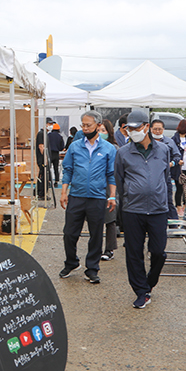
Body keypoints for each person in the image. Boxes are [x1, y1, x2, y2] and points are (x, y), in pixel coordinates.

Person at [115, 109, 170, 308]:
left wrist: (168, 204)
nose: (133, 131)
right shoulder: (123, 153)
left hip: (158, 209)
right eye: (129, 129)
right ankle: (141, 290)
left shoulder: (163, 150)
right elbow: (119, 181)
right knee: (133, 252)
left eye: (137, 128)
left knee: (158, 252)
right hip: (133, 210)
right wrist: (128, 199)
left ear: (146, 127)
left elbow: (167, 179)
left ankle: (150, 282)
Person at [60, 110, 117, 284]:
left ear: (98, 126)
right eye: (83, 125)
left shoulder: (108, 149)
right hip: (76, 196)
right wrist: (64, 192)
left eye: (88, 125)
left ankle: (92, 269)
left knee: (96, 235)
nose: (84, 128)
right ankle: (71, 262)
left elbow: (111, 174)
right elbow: (67, 169)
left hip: (97, 197)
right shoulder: (75, 146)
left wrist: (112, 196)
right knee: (69, 233)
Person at [150, 119, 181, 221]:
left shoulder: (169, 142)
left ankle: (174, 223)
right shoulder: (147, 142)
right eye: (155, 129)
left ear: (163, 129)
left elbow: (177, 156)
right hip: (149, 176)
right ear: (150, 129)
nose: (157, 131)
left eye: (160, 129)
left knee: (168, 200)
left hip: (165, 176)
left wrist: (172, 163)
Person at [101, 119, 120, 262]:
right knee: (95, 219)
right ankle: (96, 247)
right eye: (99, 130)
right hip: (95, 187)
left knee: (110, 219)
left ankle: (109, 249)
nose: (101, 133)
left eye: (103, 130)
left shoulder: (114, 148)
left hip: (110, 186)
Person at [35, 119, 52, 198]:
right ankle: (41, 193)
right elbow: (41, 146)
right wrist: (45, 159)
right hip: (42, 159)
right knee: (43, 175)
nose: (51, 125)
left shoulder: (46, 134)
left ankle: (39, 192)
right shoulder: (41, 134)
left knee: (44, 175)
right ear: (45, 124)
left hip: (45, 159)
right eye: (49, 124)